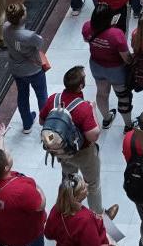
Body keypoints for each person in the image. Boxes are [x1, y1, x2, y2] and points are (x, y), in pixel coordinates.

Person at [41, 66, 104, 212]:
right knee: (92, 183)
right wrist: (93, 109)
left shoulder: (53, 99)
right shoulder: (84, 107)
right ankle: (97, 215)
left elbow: (42, 121)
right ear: (81, 86)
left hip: (61, 150)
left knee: (68, 180)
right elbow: (93, 136)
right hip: (83, 153)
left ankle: (68, 208)